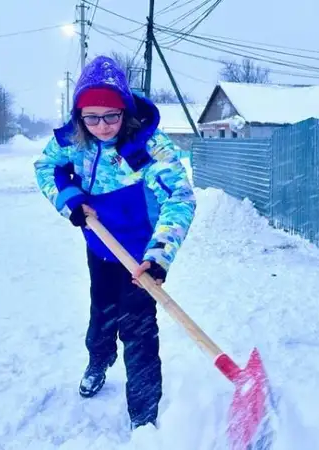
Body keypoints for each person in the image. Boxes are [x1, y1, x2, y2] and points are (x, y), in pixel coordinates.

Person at [33, 55, 196, 429]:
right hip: (100, 247)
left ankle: (144, 416)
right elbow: (46, 167)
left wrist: (159, 256)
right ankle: (99, 359)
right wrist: (68, 198)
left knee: (138, 330)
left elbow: (180, 198)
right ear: (79, 117)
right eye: (91, 117)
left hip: (141, 255)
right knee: (102, 314)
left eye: (111, 116)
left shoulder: (148, 147)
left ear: (125, 111)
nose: (102, 126)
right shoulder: (72, 141)